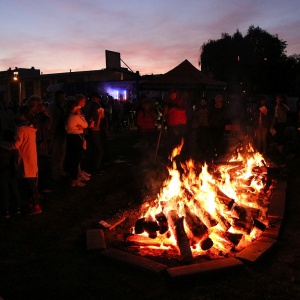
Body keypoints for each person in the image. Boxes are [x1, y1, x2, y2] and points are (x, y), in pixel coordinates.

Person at [1, 105, 42, 215]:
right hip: (31, 157)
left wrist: (3, 145)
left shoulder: (21, 130)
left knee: (29, 184)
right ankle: (32, 204)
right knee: (31, 183)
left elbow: (16, 144)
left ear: (22, 115)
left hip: (25, 159)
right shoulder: (31, 129)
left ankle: (36, 205)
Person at [64, 95, 89, 187]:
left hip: (70, 138)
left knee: (73, 159)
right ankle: (75, 179)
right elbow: (86, 125)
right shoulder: (75, 117)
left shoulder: (68, 116)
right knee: (76, 159)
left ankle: (75, 177)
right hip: (76, 138)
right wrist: (81, 116)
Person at [0, 129, 22, 218]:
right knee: (14, 188)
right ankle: (18, 208)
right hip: (11, 169)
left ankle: (6, 210)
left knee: (4, 190)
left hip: (2, 170)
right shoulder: (13, 147)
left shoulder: (1, 147)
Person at [47, 90, 67, 181]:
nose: (63, 99)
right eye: (61, 97)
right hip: (56, 133)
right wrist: (50, 132)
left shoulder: (61, 106)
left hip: (61, 132)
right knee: (55, 154)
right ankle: (55, 174)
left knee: (62, 153)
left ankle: (60, 171)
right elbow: (51, 121)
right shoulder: (52, 107)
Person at [163, 89, 187, 159]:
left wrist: (174, 108)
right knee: (171, 142)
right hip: (171, 124)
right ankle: (170, 157)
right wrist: (166, 109)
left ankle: (179, 157)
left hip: (179, 124)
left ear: (176, 94)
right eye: (171, 94)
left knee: (179, 142)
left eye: (173, 94)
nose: (172, 95)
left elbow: (183, 109)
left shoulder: (180, 101)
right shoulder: (168, 102)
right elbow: (165, 113)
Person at [86, 93, 105, 174]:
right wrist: (97, 125)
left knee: (94, 149)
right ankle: (96, 167)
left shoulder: (90, 105)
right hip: (94, 129)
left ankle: (93, 166)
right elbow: (97, 117)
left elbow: (101, 116)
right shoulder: (95, 106)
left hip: (93, 129)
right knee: (99, 150)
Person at [136, 95, 157, 159]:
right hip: (144, 131)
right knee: (144, 145)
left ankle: (151, 157)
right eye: (147, 105)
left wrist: (153, 123)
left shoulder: (151, 112)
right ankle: (144, 157)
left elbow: (155, 119)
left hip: (151, 131)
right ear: (144, 106)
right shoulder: (141, 113)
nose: (148, 106)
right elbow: (139, 122)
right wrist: (148, 123)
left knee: (151, 145)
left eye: (149, 105)